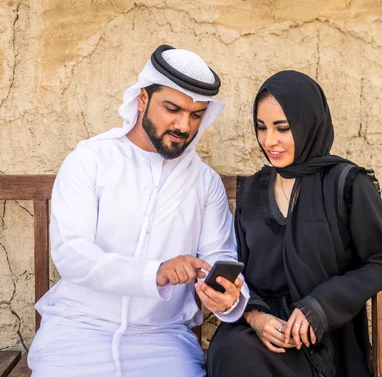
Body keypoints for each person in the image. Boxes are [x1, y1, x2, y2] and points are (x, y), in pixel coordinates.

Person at [27, 45, 249, 377]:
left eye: (195, 115)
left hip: (163, 338)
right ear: (142, 99)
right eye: (172, 109)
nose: (183, 125)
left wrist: (229, 299)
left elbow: (219, 257)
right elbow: (72, 254)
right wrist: (155, 272)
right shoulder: (90, 161)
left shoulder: (205, 182)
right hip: (78, 330)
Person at [206, 70, 382, 377]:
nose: (269, 140)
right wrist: (256, 317)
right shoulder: (253, 191)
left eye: (282, 128)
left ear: (308, 124)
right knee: (231, 350)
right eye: (261, 127)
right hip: (263, 333)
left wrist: (321, 305)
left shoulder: (346, 184)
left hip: (324, 336)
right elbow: (242, 272)